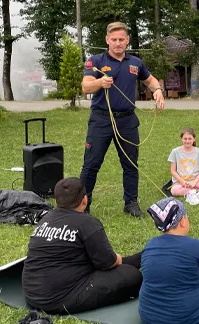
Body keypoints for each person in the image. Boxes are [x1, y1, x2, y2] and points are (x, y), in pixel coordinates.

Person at [80, 22, 165, 217]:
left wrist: (158, 90)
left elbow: (150, 80)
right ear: (107, 40)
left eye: (121, 40)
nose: (117, 43)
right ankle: (82, 205)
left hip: (127, 121)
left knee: (130, 164)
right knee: (91, 164)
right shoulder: (96, 61)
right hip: (101, 119)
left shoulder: (135, 63)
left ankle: (131, 203)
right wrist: (100, 82)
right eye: (114, 40)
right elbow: (85, 86)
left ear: (127, 41)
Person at [22, 178, 143, 314]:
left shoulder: (45, 220)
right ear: (84, 199)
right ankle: (145, 257)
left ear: (57, 200)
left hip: (31, 295)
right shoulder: (87, 223)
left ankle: (144, 257)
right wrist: (128, 259)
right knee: (132, 276)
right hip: (60, 299)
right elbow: (108, 263)